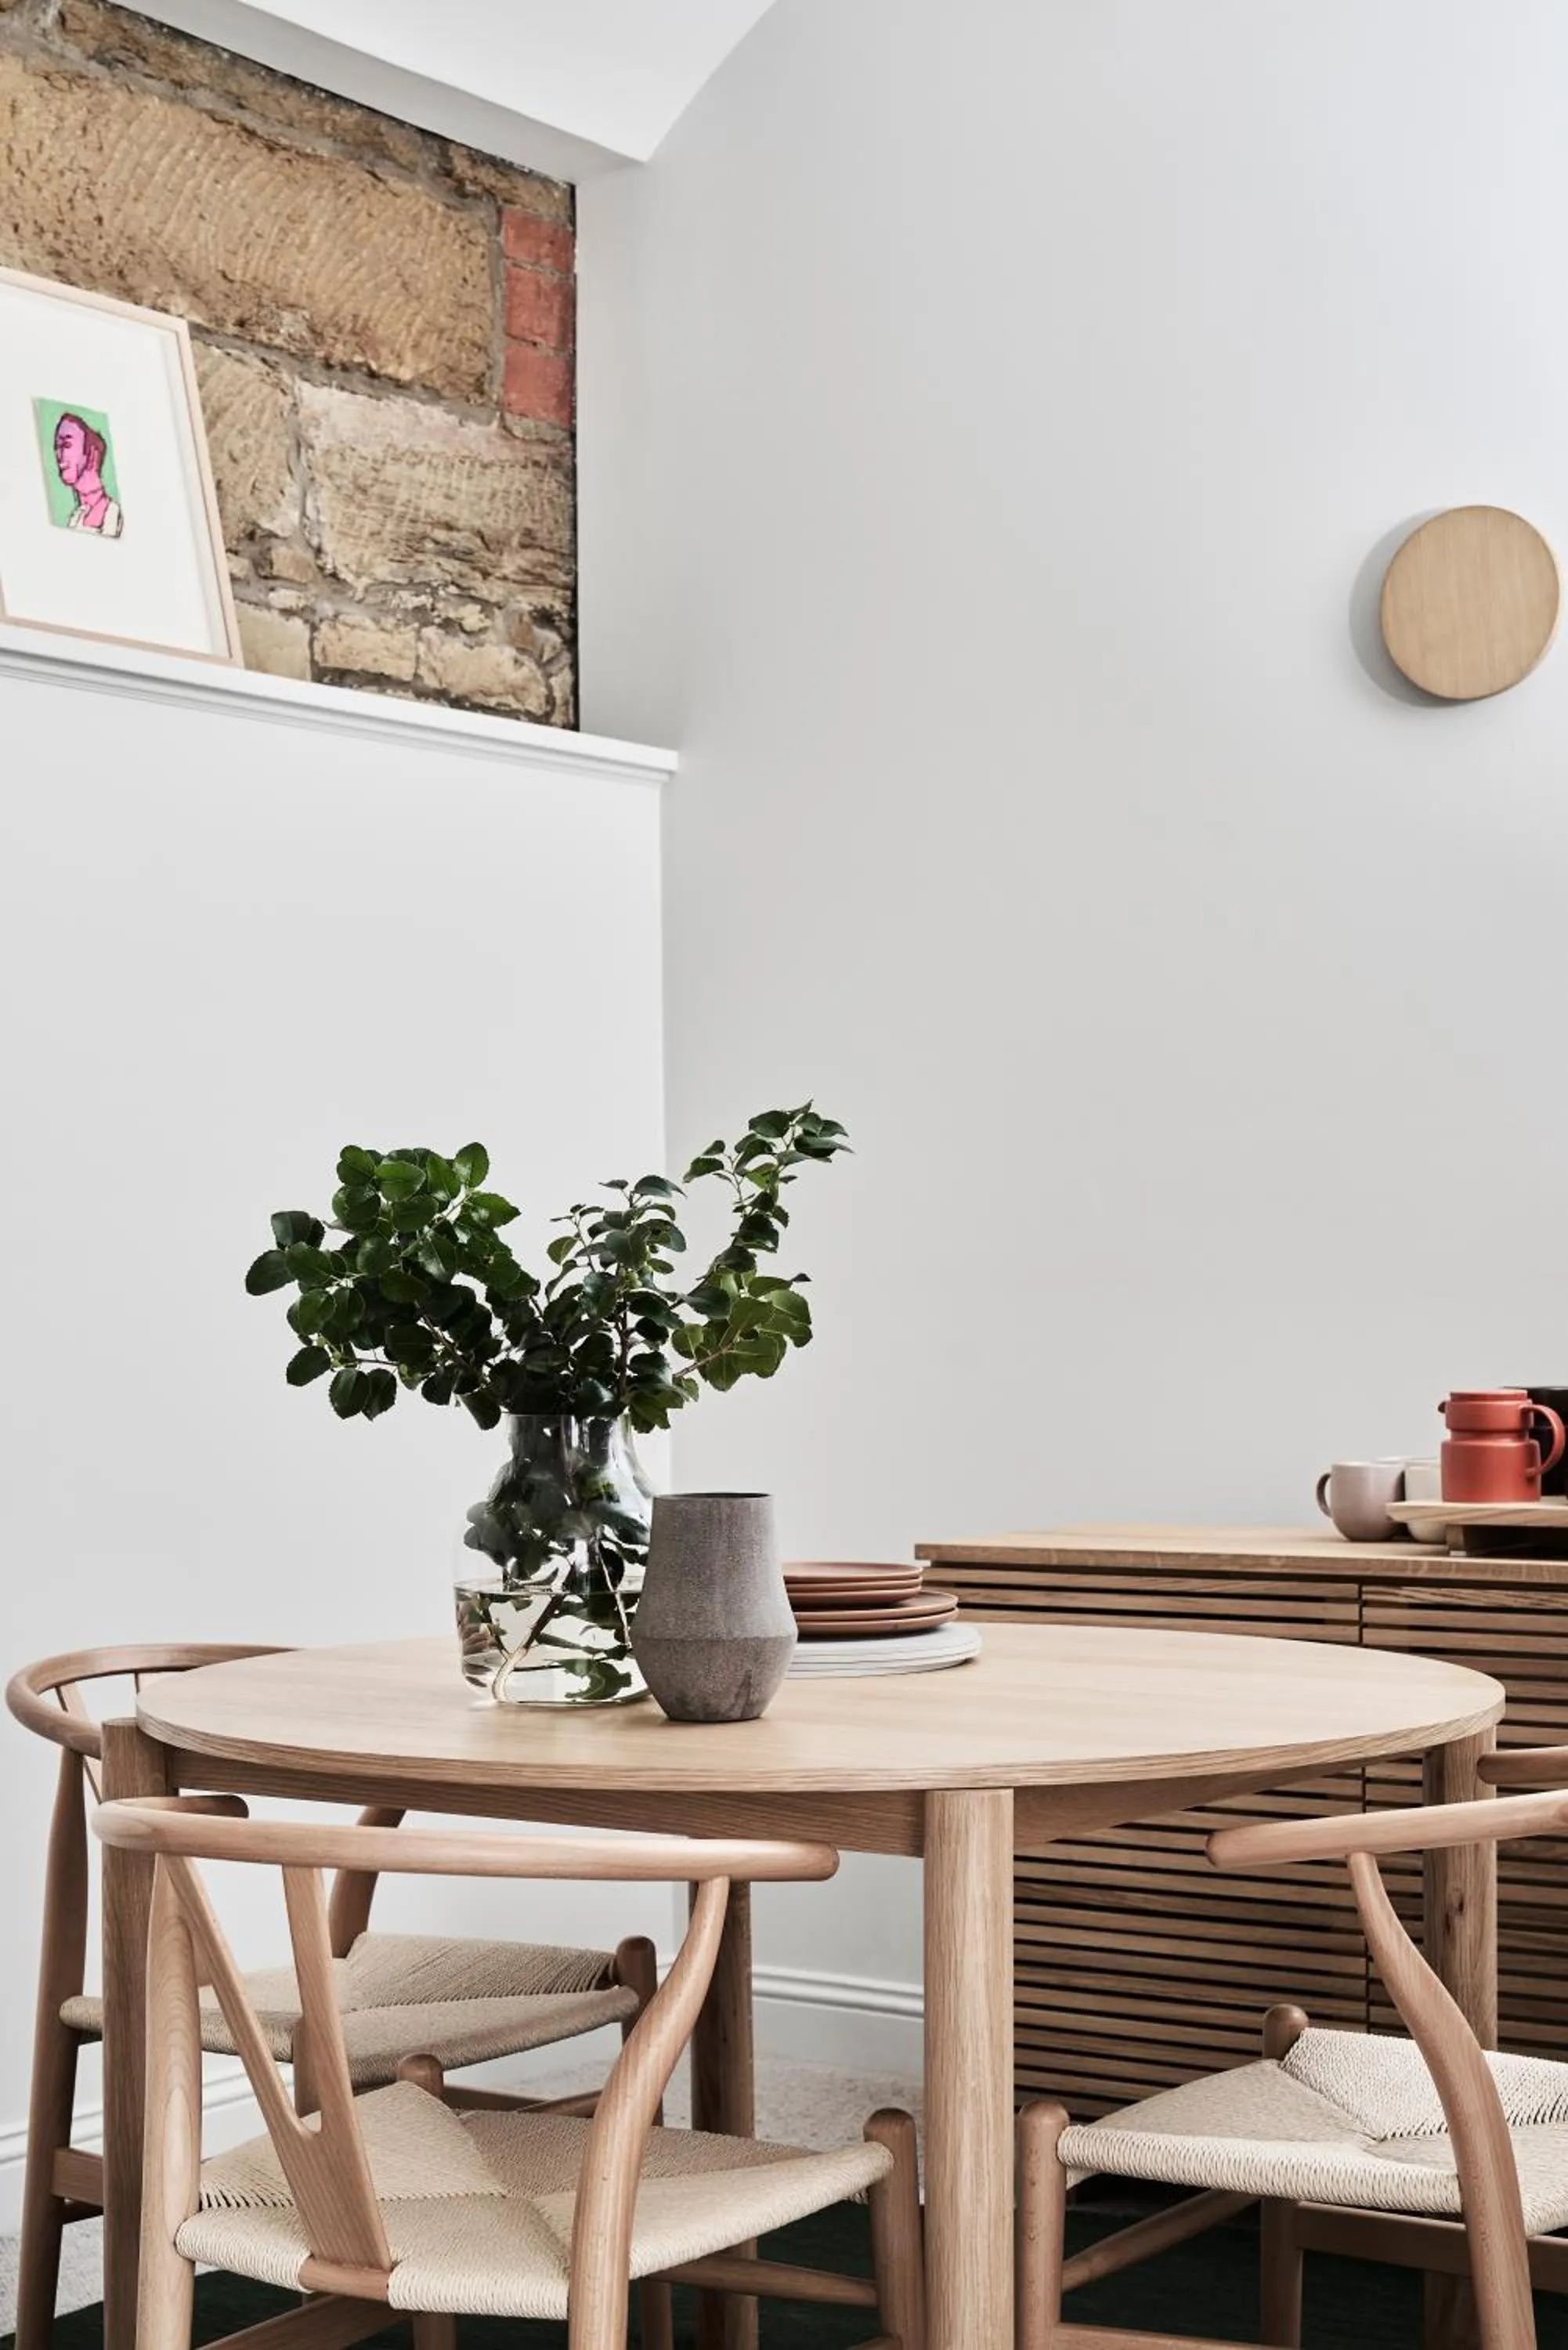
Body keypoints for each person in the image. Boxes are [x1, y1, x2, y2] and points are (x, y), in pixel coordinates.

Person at [52, 412, 123, 537]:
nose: (59, 455)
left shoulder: (114, 514)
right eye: (57, 447)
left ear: (92, 453)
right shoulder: (76, 518)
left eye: (67, 445)